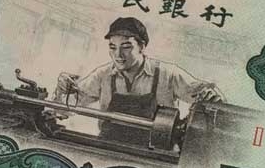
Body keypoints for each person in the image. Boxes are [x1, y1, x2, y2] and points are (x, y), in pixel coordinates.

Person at [56, 17, 221, 149]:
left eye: (126, 47)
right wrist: (63, 90)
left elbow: (210, 102)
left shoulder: (167, 74)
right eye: (112, 47)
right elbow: (65, 109)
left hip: (156, 156)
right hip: (108, 149)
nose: (118, 55)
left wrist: (212, 99)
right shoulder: (103, 75)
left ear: (142, 46)